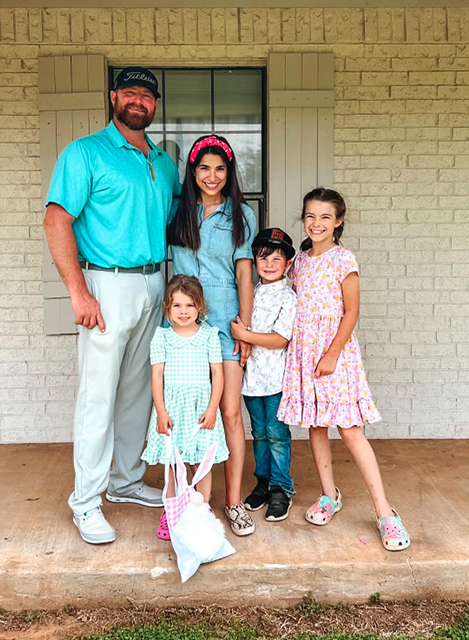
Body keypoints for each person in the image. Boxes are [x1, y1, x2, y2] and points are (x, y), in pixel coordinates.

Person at [43, 66, 181, 545]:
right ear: (113, 97)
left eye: (147, 94)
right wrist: (79, 292)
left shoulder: (163, 162)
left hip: (153, 283)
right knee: (98, 396)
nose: (138, 100)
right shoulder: (85, 152)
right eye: (130, 92)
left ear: (154, 104)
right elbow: (56, 220)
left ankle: (124, 482)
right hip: (106, 284)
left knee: (138, 392)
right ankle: (86, 501)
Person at [277, 188, 411, 551]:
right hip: (305, 352)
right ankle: (327, 494)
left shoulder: (343, 259)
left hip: (335, 352)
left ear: (338, 221)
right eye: (310, 216)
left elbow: (351, 311)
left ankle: (384, 511)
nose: (316, 223)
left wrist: (332, 353)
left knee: (350, 430)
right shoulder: (299, 263)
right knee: (316, 427)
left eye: (324, 217)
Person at [167, 134, 257, 536]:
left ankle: (233, 501)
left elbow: (244, 274)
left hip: (224, 322)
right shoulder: (176, 211)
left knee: (230, 414)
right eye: (204, 167)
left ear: (229, 173)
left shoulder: (241, 215)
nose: (212, 176)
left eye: (220, 169)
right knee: (189, 413)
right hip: (185, 325)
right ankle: (190, 499)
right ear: (193, 170)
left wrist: (246, 330)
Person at [141, 275, 228, 541]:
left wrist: (213, 408)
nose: (183, 311)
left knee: (201, 462)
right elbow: (156, 376)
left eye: (189, 305)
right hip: (173, 410)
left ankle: (201, 508)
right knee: (172, 463)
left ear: (200, 307)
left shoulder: (209, 336)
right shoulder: (162, 337)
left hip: (201, 408)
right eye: (177, 305)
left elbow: (218, 374)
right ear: (167, 307)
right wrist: (161, 411)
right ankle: (171, 511)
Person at [230, 228, 297, 522]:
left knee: (277, 434)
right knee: (258, 433)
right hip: (251, 379)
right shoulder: (251, 292)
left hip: (276, 380)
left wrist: (245, 334)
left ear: (288, 264)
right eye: (263, 258)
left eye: (277, 259)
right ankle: (263, 482)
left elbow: (280, 339)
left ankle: (281, 487)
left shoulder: (288, 296)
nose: (269, 264)